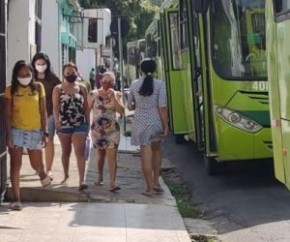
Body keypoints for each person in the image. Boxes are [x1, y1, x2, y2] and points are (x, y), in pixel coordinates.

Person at [5, 60, 51, 210]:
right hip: (16, 130)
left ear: (32, 74)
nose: (24, 76)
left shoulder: (38, 87)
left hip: (35, 131)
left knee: (36, 165)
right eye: (21, 74)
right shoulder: (10, 89)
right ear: (16, 75)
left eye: (27, 74)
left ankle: (43, 174)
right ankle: (17, 199)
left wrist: (45, 132)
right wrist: (9, 135)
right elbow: (7, 114)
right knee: (15, 165)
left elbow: (43, 111)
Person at [127, 58, 168, 197]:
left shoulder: (134, 84)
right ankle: (156, 182)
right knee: (157, 152)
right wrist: (165, 125)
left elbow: (129, 106)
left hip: (140, 122)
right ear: (155, 69)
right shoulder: (160, 84)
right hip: (156, 121)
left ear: (140, 69)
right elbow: (162, 107)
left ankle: (149, 188)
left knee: (146, 155)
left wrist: (137, 105)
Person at [52, 62, 90, 190]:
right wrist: (57, 120)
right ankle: (66, 175)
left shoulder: (82, 88)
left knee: (80, 152)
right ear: (63, 74)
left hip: (80, 124)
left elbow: (86, 107)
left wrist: (88, 122)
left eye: (73, 73)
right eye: (68, 73)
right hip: (64, 124)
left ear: (76, 73)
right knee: (66, 151)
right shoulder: (58, 89)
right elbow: (55, 106)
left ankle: (82, 180)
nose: (70, 75)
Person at [88, 71, 124, 191]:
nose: (106, 83)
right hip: (98, 130)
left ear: (113, 82)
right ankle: (100, 176)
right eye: (104, 80)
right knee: (100, 154)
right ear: (100, 80)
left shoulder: (117, 94)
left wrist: (114, 98)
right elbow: (87, 110)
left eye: (109, 81)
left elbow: (122, 111)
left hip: (112, 129)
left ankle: (113, 182)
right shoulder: (93, 94)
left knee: (112, 155)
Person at [31, 52, 61, 180]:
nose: (41, 66)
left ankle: (48, 170)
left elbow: (61, 91)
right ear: (34, 64)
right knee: (34, 142)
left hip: (49, 114)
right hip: (32, 115)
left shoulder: (53, 78)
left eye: (43, 64)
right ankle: (38, 167)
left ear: (47, 64)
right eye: (38, 64)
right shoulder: (30, 77)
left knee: (49, 141)